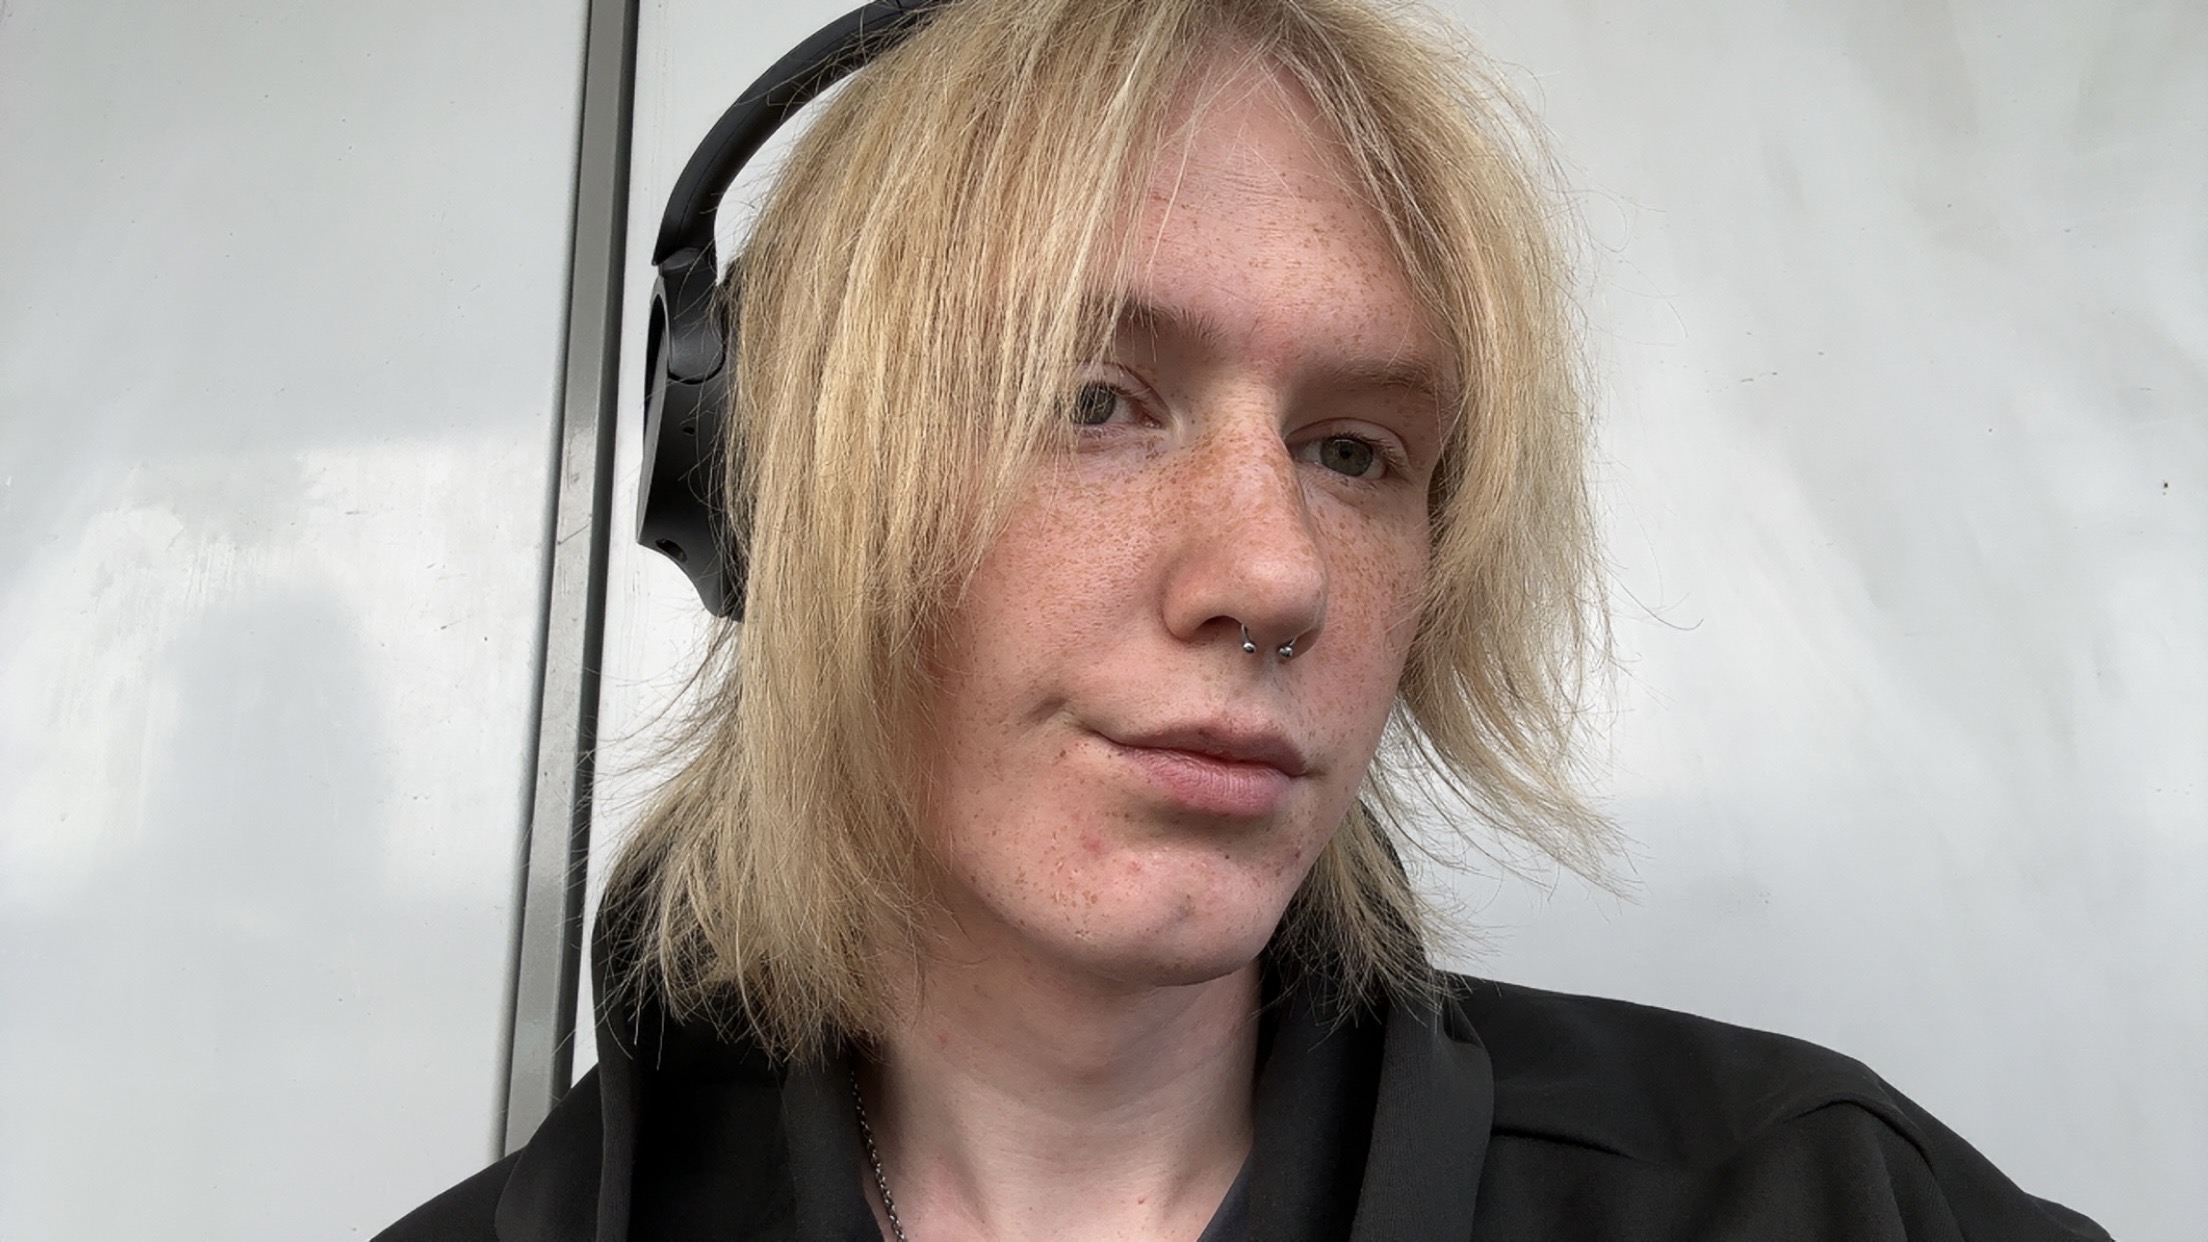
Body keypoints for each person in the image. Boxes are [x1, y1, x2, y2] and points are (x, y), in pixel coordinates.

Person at [382, 0, 2109, 1237]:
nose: (1278, 575)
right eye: (1093, 400)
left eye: (1356, 451)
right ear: (771, 482)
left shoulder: (1820, 1200)